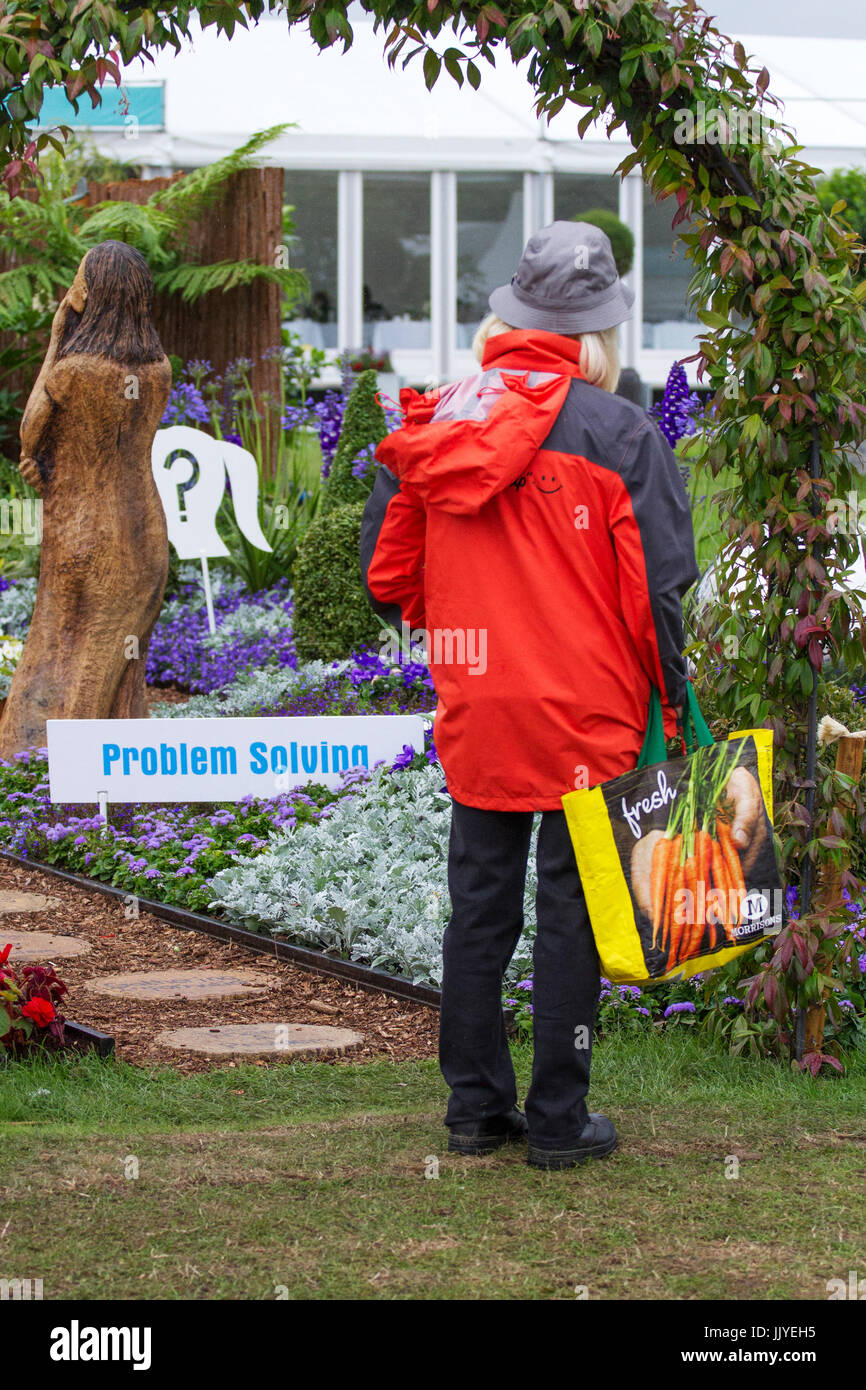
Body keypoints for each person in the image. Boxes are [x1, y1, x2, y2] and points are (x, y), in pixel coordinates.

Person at [360, 222, 699, 1170]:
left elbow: (387, 578)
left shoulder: (439, 421)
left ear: (509, 319)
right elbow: (662, 586)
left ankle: (473, 1110)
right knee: (571, 912)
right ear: (599, 335)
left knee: (477, 906)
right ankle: (558, 1122)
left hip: (479, 703)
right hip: (586, 712)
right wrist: (671, 699)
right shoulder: (620, 431)